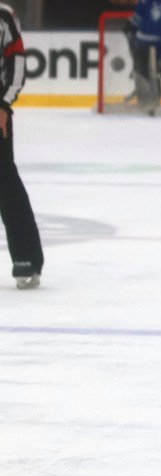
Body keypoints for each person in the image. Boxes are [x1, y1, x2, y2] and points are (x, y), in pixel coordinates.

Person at [0, 3, 43, 289]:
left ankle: (26, 258)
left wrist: (3, 104)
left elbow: (16, 62)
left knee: (5, 182)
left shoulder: (3, 15)